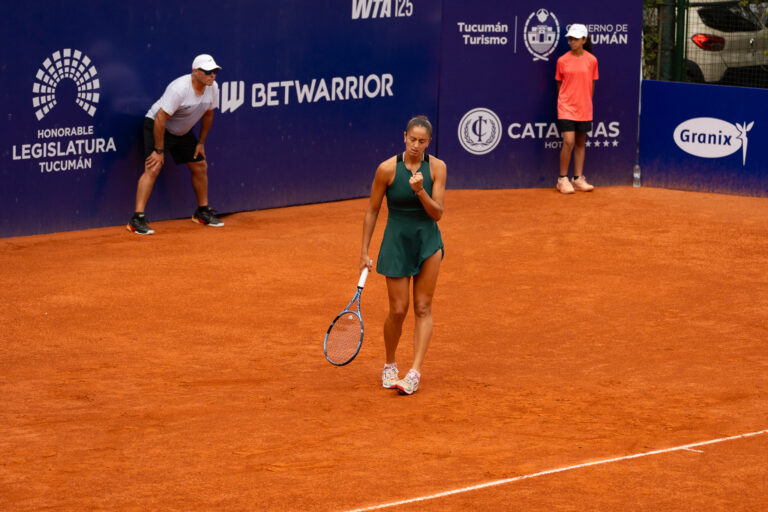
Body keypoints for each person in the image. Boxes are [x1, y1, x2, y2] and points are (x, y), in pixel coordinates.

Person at [360, 116, 446, 395]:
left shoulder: (437, 168)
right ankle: (389, 363)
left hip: (427, 242)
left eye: (422, 141)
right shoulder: (386, 169)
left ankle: (415, 372)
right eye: (412, 139)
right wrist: (364, 251)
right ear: (404, 137)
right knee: (398, 310)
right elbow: (372, 210)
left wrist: (420, 191)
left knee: (423, 307)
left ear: (428, 143)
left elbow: (437, 213)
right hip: (396, 242)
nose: (416, 145)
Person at [127, 54, 224, 235]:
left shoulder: (213, 88)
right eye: (208, 72)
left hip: (182, 130)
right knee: (154, 167)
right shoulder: (179, 89)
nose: (213, 75)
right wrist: (158, 150)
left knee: (200, 165)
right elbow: (161, 118)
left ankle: (202, 211)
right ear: (195, 72)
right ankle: (137, 219)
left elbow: (209, 114)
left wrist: (201, 142)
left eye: (215, 71)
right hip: (157, 124)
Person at [555, 24, 598, 194]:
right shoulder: (562, 60)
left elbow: (592, 84)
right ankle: (562, 179)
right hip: (566, 107)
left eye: (575, 39)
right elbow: (559, 83)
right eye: (570, 38)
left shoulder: (592, 60)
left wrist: (585, 101)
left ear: (584, 40)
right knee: (569, 142)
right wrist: (566, 99)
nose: (571, 41)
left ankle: (578, 178)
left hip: (584, 108)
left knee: (580, 143)